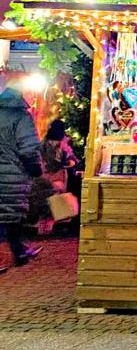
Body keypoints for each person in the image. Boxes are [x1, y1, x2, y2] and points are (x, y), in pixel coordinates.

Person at [0, 79, 44, 271]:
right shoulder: (21, 117)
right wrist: (35, 167)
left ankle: (19, 251)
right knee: (11, 214)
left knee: (7, 216)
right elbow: (28, 148)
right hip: (13, 174)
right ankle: (18, 253)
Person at [35, 119, 79, 235]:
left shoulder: (46, 143)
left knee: (50, 199)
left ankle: (46, 225)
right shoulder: (60, 144)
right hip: (55, 175)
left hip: (50, 175)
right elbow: (67, 159)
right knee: (54, 198)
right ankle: (48, 225)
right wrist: (69, 162)